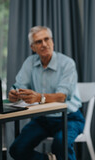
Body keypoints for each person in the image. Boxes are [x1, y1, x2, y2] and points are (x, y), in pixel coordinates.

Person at [8, 26, 84, 160]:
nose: (44, 44)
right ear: (33, 47)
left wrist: (39, 97)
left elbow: (62, 96)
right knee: (16, 149)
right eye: (38, 42)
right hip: (43, 119)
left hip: (69, 118)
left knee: (60, 144)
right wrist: (13, 93)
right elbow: (18, 86)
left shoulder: (67, 64)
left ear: (52, 41)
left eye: (46, 39)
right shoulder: (29, 63)